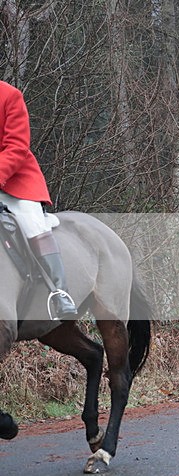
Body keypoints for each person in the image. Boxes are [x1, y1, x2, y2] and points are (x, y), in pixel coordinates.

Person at [0, 80, 78, 319]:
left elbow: (16, 147)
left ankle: (59, 292)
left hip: (14, 181)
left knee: (31, 222)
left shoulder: (10, 96)